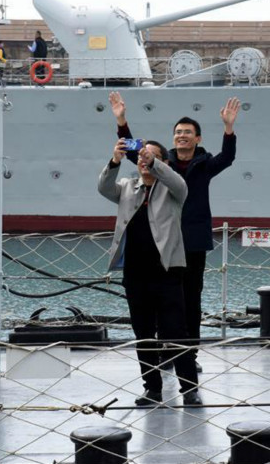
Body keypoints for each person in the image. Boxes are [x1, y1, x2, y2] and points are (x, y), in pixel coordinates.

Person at [109, 92, 240, 372]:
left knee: (190, 303)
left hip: (191, 244)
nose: (182, 136)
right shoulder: (161, 165)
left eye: (188, 133)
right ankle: (163, 355)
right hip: (162, 244)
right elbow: (135, 154)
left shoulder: (203, 166)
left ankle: (188, 357)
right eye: (178, 132)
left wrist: (228, 128)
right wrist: (121, 121)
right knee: (158, 304)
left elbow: (227, 157)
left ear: (198, 139)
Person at [98, 138, 202, 406]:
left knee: (176, 332)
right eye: (142, 157)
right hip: (135, 274)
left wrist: (153, 161)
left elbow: (179, 183)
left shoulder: (173, 190)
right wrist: (115, 162)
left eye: (152, 157)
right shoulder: (127, 188)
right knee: (143, 334)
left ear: (163, 163)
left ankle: (189, 389)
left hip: (167, 272)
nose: (144, 161)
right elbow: (104, 188)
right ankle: (152, 388)